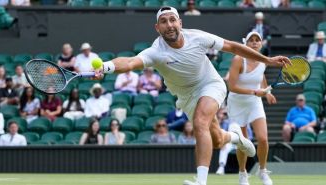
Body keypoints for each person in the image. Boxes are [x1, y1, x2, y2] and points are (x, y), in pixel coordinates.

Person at [94, 6, 290, 185]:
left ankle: (201, 182)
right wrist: (106, 66)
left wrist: (267, 60)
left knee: (200, 122)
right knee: (217, 141)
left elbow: (233, 47)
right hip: (186, 96)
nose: (169, 25)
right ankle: (236, 138)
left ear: (180, 23)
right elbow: (129, 62)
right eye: (164, 21)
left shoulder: (198, 37)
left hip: (211, 84)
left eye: (173, 20)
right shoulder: (155, 52)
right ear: (157, 27)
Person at [227, 31, 277, 185]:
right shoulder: (238, 60)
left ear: (261, 44)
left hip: (255, 103)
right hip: (236, 103)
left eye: (257, 40)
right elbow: (232, 86)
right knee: (243, 142)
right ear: (246, 44)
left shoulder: (262, 62)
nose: (254, 42)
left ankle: (262, 171)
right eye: (251, 40)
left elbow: (261, 76)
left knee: (263, 139)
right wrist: (255, 92)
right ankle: (242, 173)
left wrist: (266, 91)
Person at [216, 108, 254, 175]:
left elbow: (250, 135)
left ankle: (244, 169)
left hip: (241, 142)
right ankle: (221, 167)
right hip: (229, 143)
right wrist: (224, 143)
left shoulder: (245, 122)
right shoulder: (226, 122)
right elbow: (222, 132)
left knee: (245, 148)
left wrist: (245, 142)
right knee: (224, 148)